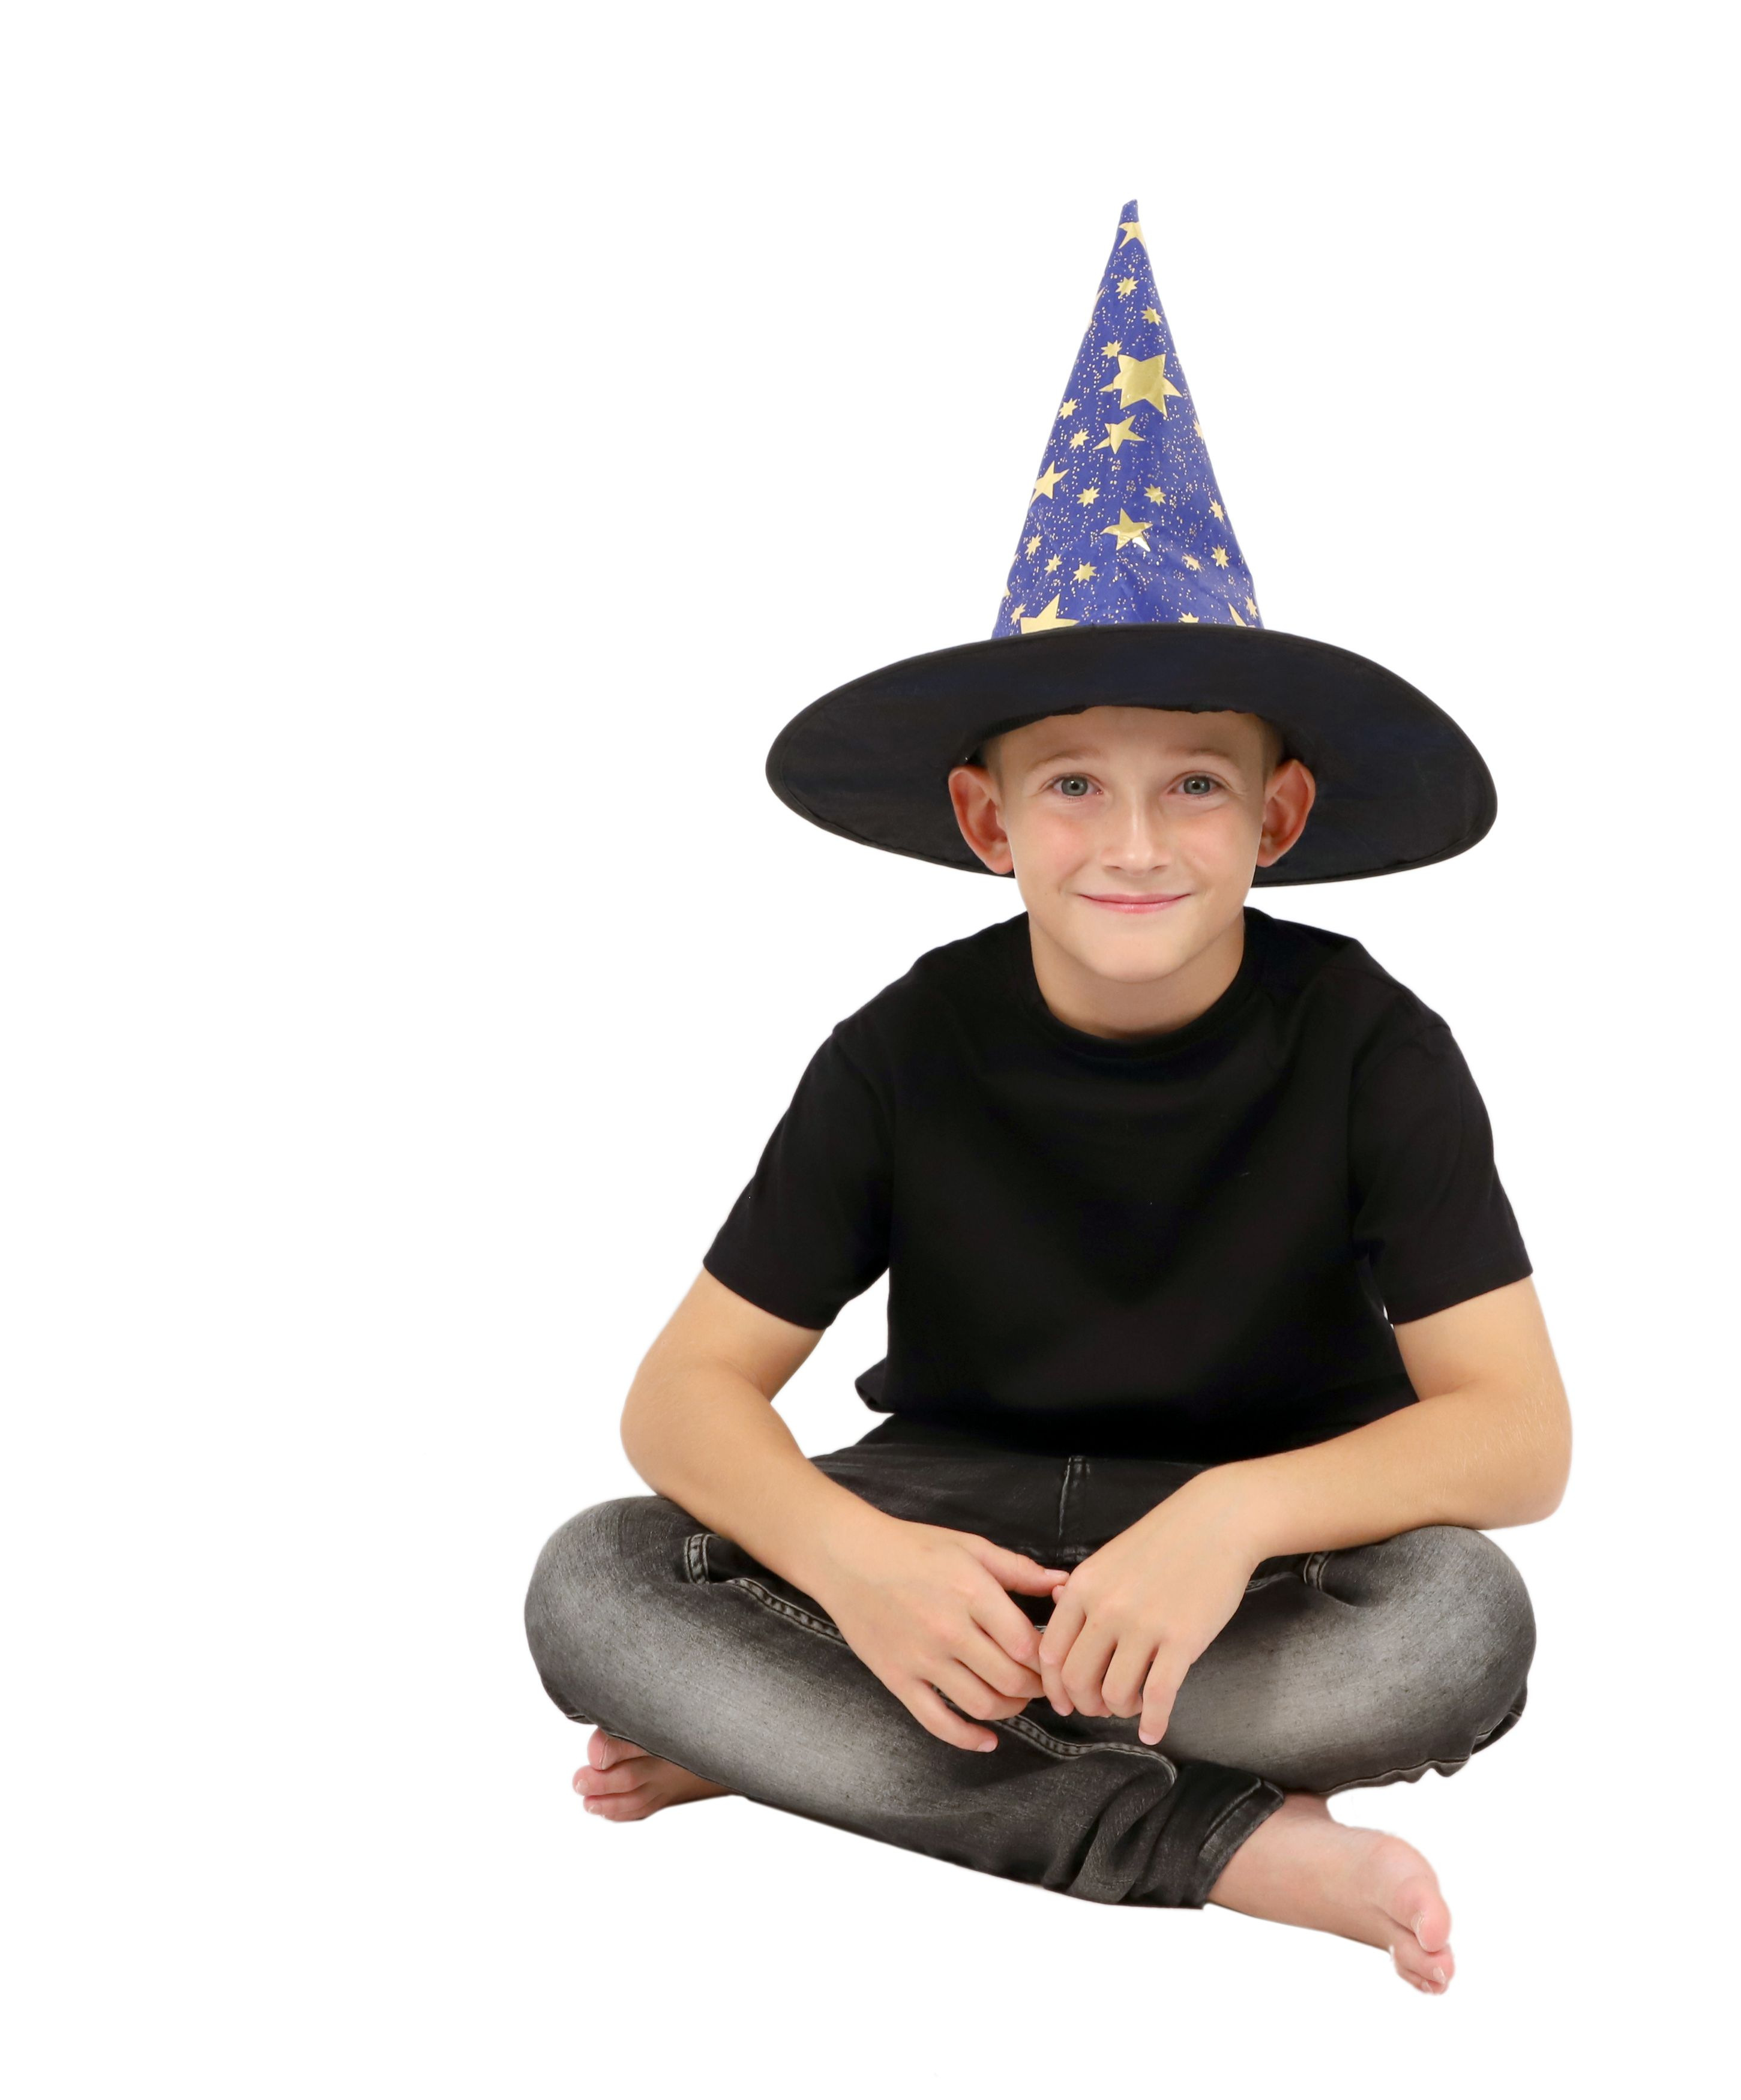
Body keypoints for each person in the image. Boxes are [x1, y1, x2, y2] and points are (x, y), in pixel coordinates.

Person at [522, 204, 1568, 1995]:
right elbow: (682, 1394)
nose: (1135, 842)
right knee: (595, 1584)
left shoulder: (1371, 1042)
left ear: (1276, 818)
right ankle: (1209, 1841)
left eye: (1195, 786)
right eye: (1074, 784)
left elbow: (1517, 1436)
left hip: (1250, 1566)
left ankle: (811, 1743)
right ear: (988, 821)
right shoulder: (903, 1045)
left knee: (1452, 1630)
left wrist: (1227, 1519)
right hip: (951, 1521)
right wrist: (853, 1564)